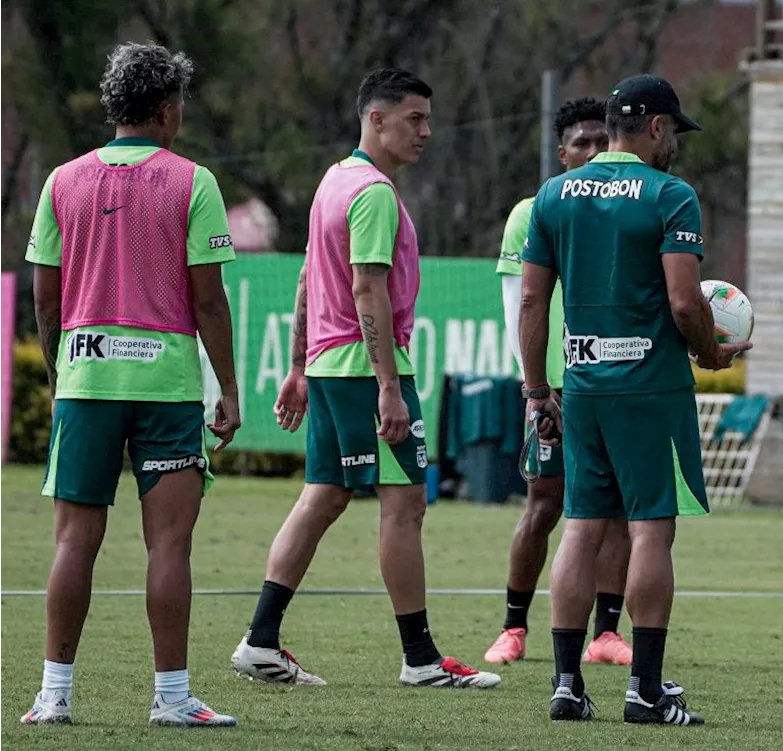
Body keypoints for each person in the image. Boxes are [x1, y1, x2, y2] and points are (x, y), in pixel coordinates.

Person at [230, 68, 499, 690]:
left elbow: (305, 278)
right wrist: (388, 385)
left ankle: (261, 641)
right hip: (364, 371)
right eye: (414, 118)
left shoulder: (334, 180)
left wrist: (299, 365)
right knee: (404, 506)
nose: (425, 131)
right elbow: (366, 287)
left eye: (428, 119)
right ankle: (421, 660)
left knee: (323, 496)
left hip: (328, 367)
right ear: (375, 119)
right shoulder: (374, 192)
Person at [21, 42, 241, 727]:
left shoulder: (61, 181)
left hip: (87, 379)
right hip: (166, 384)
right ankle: (171, 699)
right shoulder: (193, 181)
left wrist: (63, 373)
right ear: (169, 109)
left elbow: (47, 300)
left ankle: (54, 695)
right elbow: (208, 302)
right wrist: (227, 390)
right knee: (169, 545)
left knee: (73, 541)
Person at [520, 73, 750, 725]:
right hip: (651, 387)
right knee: (651, 529)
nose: (674, 142)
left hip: (584, 384)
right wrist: (709, 352)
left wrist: (538, 388)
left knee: (582, 526)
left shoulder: (554, 194)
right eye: (672, 129)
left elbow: (534, 299)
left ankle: (566, 685)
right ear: (653, 127)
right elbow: (684, 300)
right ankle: (644, 690)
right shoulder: (671, 195)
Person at [485, 97, 633, 667]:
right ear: (562, 152)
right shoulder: (533, 212)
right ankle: (513, 627)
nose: (594, 151)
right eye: (582, 143)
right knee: (545, 504)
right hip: (553, 389)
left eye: (603, 140)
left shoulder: (627, 208)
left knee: (616, 509)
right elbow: (519, 304)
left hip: (612, 382)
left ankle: (607, 633)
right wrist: (537, 389)